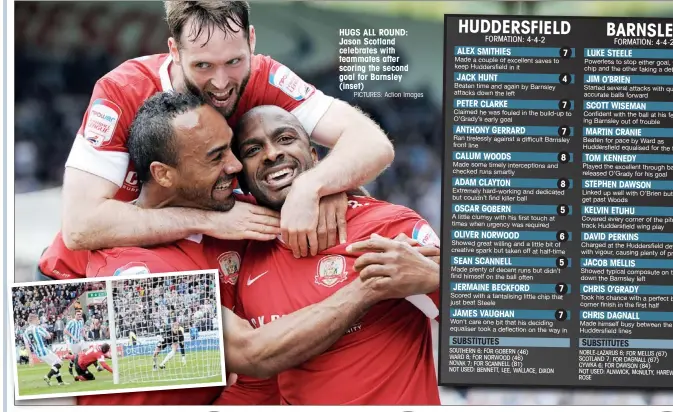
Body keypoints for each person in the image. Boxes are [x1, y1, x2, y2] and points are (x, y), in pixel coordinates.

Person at [80, 91, 438, 405]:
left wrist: (322, 187)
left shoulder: (242, 222)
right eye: (218, 155)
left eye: (234, 152)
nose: (235, 166)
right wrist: (367, 286)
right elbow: (253, 356)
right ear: (165, 175)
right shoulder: (131, 275)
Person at [39, 0, 394, 282]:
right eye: (204, 66)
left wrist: (316, 186)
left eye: (235, 61)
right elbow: (80, 227)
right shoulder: (123, 91)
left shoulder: (265, 76)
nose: (222, 83)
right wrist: (206, 221)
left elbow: (373, 143)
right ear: (174, 50)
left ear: (252, 41)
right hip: (79, 278)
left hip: (202, 273)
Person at [218, 105, 441, 405]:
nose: (271, 154)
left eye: (285, 138)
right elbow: (256, 388)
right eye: (253, 149)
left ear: (314, 155)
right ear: (242, 178)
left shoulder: (387, 226)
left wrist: (434, 278)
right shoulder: (246, 257)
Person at [22, 314, 69, 386]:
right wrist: (49, 333)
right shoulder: (37, 328)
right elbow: (48, 336)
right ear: (33, 320)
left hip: (38, 353)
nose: (38, 321)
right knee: (59, 362)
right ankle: (48, 376)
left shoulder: (25, 332)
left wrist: (30, 358)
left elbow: (27, 346)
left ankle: (60, 382)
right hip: (43, 350)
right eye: (37, 319)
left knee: (54, 365)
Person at [63, 310, 86, 377]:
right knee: (75, 357)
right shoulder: (71, 322)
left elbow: (81, 329)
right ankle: (70, 367)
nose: (79, 315)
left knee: (86, 351)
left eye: (80, 314)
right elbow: (65, 330)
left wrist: (85, 336)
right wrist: (73, 337)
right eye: (78, 314)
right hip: (73, 342)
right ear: (75, 315)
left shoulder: (81, 321)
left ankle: (96, 367)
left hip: (80, 340)